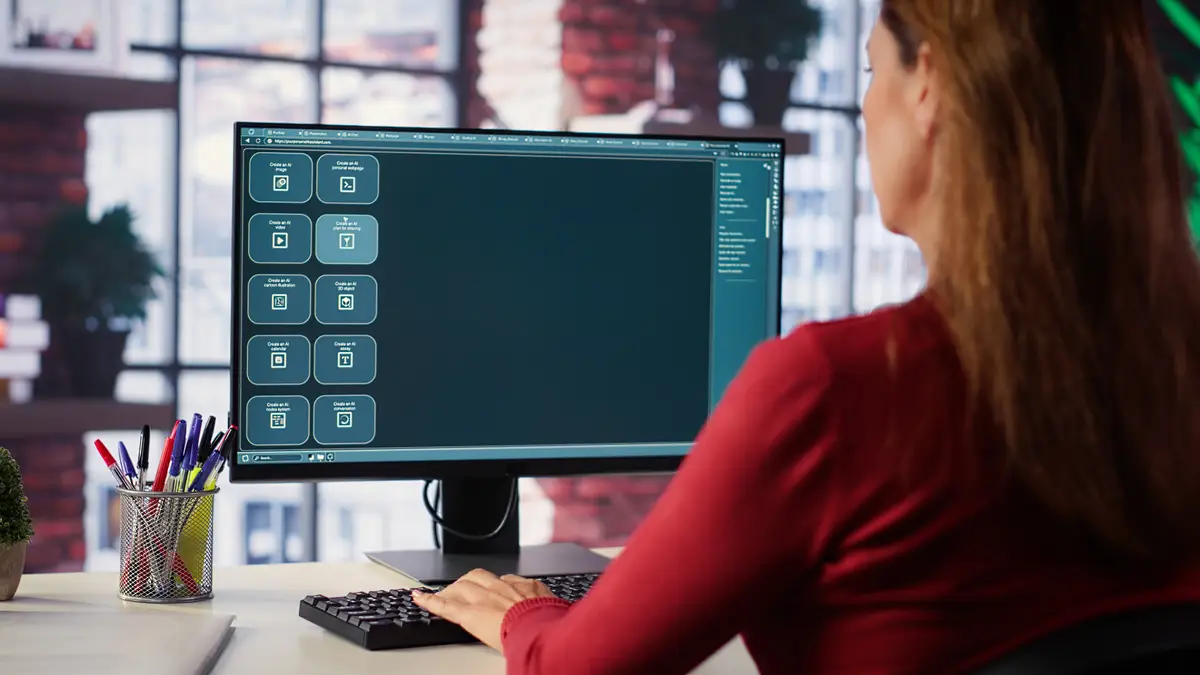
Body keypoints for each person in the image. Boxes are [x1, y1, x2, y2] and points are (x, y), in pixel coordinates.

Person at [412, 1, 1200, 672]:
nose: (868, 107)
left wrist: (523, 614)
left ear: (928, 84)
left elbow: (579, 668)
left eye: (872, 72)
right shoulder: (1175, 371)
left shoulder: (837, 387)